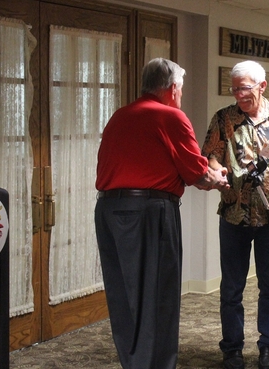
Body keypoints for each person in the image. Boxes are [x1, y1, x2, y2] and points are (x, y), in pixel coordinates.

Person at [94, 58, 229, 369]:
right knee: (158, 295)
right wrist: (219, 179)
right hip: (149, 212)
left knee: (124, 294)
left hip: (108, 209)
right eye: (180, 90)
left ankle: (134, 362)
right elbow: (197, 174)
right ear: (173, 88)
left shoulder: (120, 115)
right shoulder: (171, 116)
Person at [201, 60, 269, 369]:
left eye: (244, 88)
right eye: (234, 89)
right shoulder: (224, 119)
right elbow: (210, 156)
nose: (238, 94)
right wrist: (215, 169)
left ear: (262, 85)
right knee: (231, 288)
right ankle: (232, 349)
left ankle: (268, 347)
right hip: (233, 215)